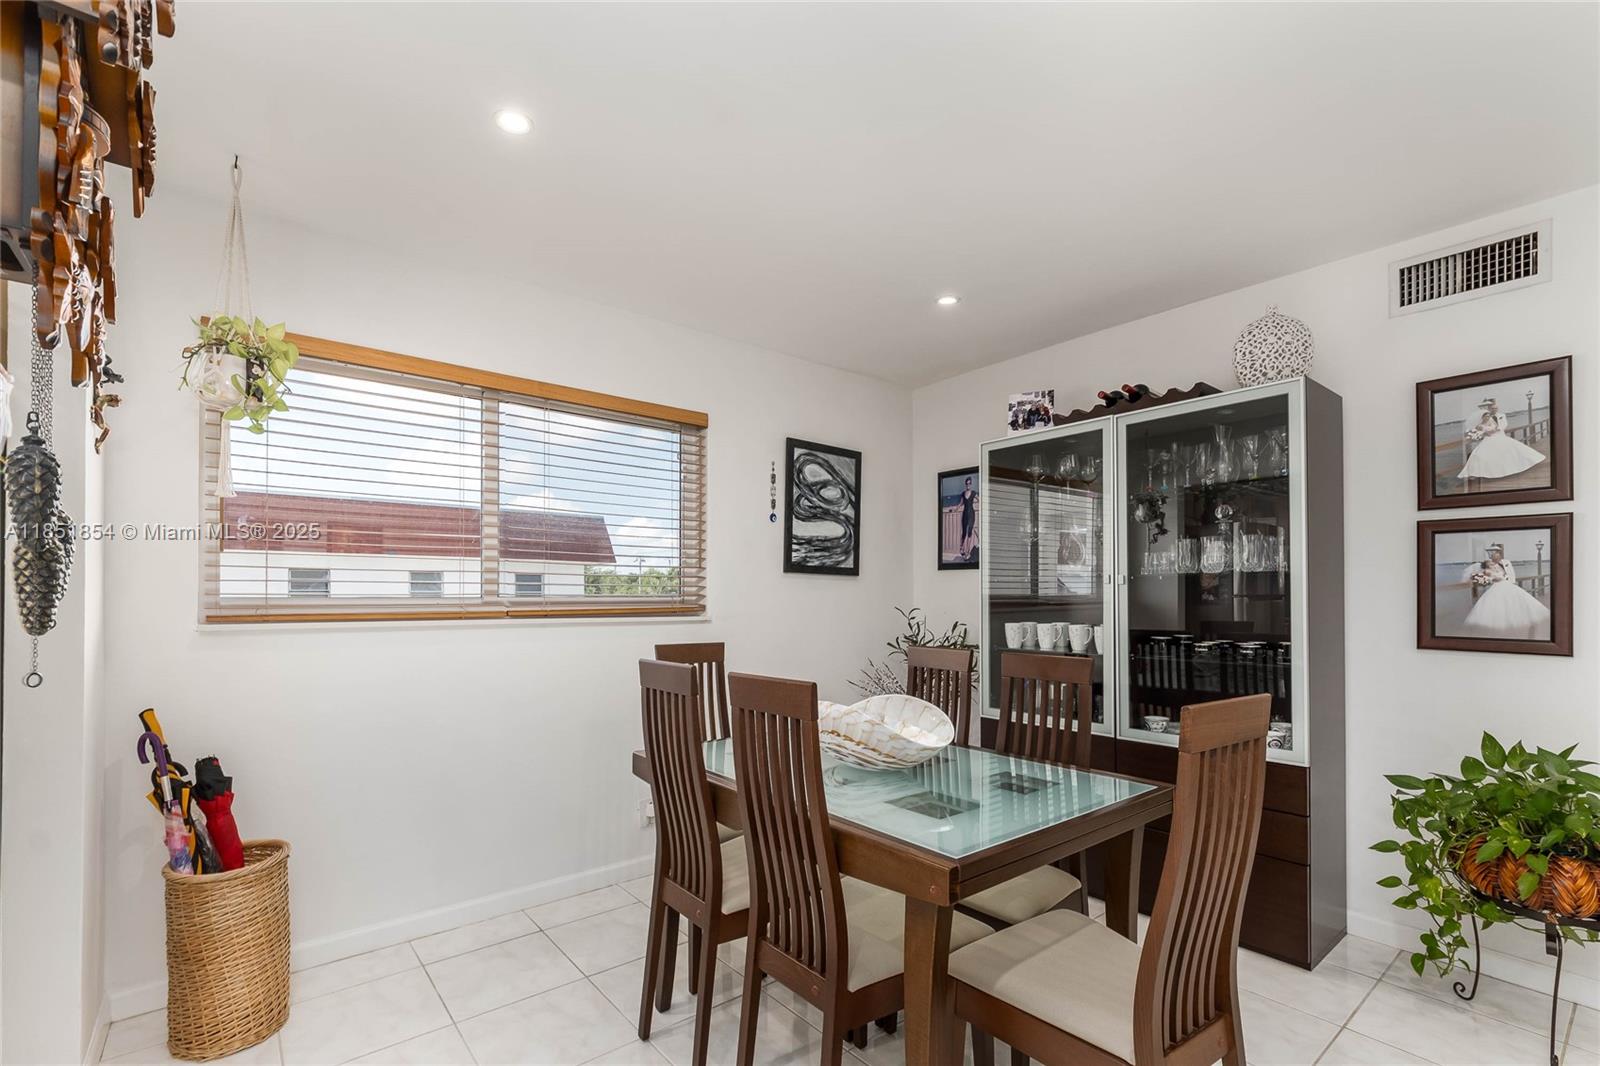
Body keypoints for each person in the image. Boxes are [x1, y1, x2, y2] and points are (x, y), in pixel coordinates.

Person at [1463, 544, 1550, 638]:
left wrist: (1508, 580)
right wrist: (1491, 579)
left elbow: (1510, 574)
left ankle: (1518, 622)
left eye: (1497, 554)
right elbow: (1483, 577)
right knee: (1498, 606)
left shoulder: (1504, 563)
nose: (1495, 557)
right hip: (1496, 587)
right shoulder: (1487, 569)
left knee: (1518, 602)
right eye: (1493, 555)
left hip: (1508, 585)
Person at [1459, 398, 1545, 481]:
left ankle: (1526, 461)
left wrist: (1496, 429)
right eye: (1492, 408)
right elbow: (1480, 429)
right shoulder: (1487, 418)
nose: (1494, 409)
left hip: (1500, 435)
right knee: (1483, 454)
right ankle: (1480, 472)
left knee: (1512, 450)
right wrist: (1483, 433)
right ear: (1489, 409)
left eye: (1496, 408)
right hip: (1489, 438)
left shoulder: (1501, 415)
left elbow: (1504, 425)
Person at [958, 476, 978, 561]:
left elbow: (980, 500)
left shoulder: (973, 493)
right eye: (967, 483)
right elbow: (960, 503)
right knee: (964, 533)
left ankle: (967, 552)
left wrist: (977, 503)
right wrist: (955, 509)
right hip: (965, 515)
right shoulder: (963, 493)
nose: (968, 485)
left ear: (971, 484)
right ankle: (961, 547)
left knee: (969, 533)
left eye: (969, 483)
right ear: (965, 484)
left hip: (971, 515)